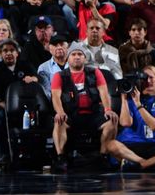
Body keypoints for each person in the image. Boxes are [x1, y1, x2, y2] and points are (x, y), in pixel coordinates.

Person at [50, 44, 118, 172]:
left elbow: (104, 92)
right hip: (71, 115)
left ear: (85, 58)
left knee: (112, 121)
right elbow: (55, 97)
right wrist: (60, 112)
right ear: (68, 58)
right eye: (73, 54)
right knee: (58, 121)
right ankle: (60, 158)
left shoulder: (95, 72)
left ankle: (103, 157)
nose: (77, 57)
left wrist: (108, 110)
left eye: (80, 54)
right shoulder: (59, 76)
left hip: (93, 114)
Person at [0, 38, 38, 165]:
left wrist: (32, 78)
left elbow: (38, 79)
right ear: (1, 53)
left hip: (26, 106)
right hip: (3, 106)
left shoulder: (26, 66)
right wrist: (7, 107)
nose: (8, 53)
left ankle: (33, 153)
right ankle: (3, 152)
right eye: (5, 51)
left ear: (17, 52)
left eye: (11, 50)